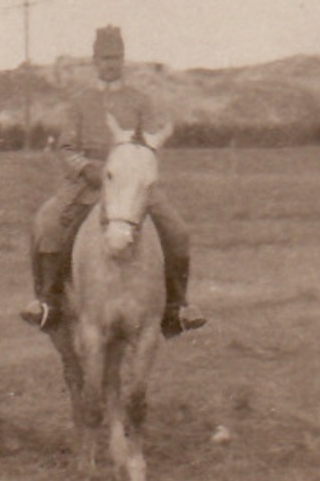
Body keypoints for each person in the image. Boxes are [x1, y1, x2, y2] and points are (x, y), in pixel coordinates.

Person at [24, 25, 206, 339]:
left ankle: (177, 306)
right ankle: (48, 301)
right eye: (105, 58)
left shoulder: (139, 100)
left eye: (117, 57)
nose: (111, 64)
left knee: (177, 230)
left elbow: (150, 143)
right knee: (47, 223)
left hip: (130, 185)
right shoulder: (80, 101)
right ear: (95, 60)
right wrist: (87, 169)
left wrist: (132, 168)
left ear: (123, 59)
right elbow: (67, 148)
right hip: (86, 184)